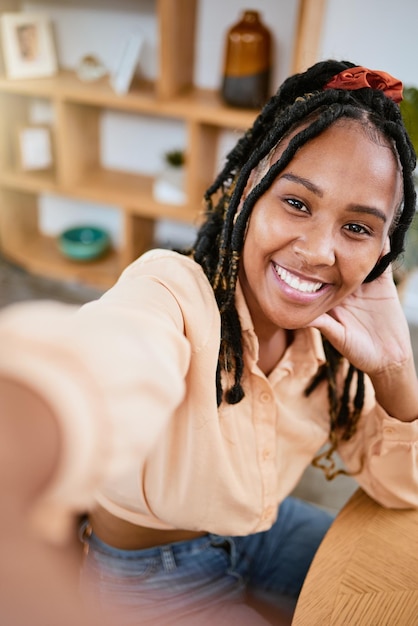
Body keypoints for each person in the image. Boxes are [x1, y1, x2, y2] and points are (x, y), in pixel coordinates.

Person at [0, 59, 417, 625]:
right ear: (249, 192)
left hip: (261, 530)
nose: (321, 251)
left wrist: (396, 373)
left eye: (358, 228)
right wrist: (30, 421)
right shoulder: (169, 293)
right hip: (147, 568)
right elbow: (103, 360)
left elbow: (403, 489)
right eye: (296, 203)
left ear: (383, 252)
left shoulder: (340, 338)